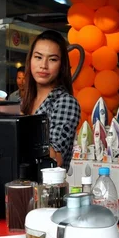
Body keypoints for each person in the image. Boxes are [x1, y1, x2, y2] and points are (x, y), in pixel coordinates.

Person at [20, 30, 80, 170]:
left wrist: (18, 122)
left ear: (62, 65)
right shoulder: (22, 101)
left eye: (52, 59)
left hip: (45, 189)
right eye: (38, 57)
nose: (44, 65)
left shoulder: (65, 102)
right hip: (15, 185)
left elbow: (53, 158)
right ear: (30, 60)